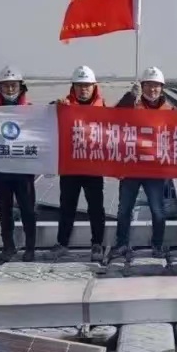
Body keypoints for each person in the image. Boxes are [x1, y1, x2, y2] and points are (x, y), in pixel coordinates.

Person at [113, 66, 173, 259]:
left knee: (158, 210)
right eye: (148, 85)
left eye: (156, 85)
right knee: (124, 209)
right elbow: (112, 116)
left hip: (155, 170)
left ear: (162, 88)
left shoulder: (170, 111)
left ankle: (157, 245)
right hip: (131, 167)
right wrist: (129, 96)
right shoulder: (133, 106)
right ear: (142, 86)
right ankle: (121, 244)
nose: (152, 89)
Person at [50, 65, 108, 261]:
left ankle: (97, 244)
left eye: (87, 86)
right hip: (71, 167)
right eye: (79, 85)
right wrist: (55, 105)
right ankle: (62, 243)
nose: (83, 89)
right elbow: (45, 116)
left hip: (93, 167)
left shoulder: (103, 108)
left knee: (96, 208)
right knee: (67, 206)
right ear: (73, 87)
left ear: (94, 86)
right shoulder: (64, 106)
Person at [0, 66, 37, 262]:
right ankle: (8, 247)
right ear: (0, 87)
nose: (9, 89)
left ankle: (30, 248)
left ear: (21, 86)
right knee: (4, 210)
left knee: (28, 209)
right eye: (5, 85)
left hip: (24, 169)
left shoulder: (31, 110)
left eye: (13, 85)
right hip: (0, 169)